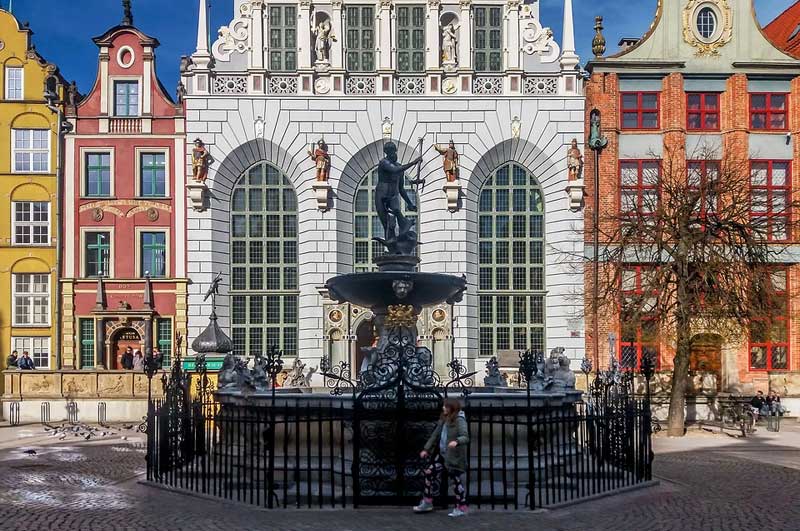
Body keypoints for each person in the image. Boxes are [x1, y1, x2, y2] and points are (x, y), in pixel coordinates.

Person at [413, 397, 469, 518]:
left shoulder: (459, 420)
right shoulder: (444, 418)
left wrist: (457, 442)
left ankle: (461, 507)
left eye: (445, 406)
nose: (443, 408)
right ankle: (427, 502)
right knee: (429, 472)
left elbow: (465, 436)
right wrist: (426, 449)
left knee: (455, 481)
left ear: (451, 408)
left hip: (453, 456)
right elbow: (435, 435)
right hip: (443, 454)